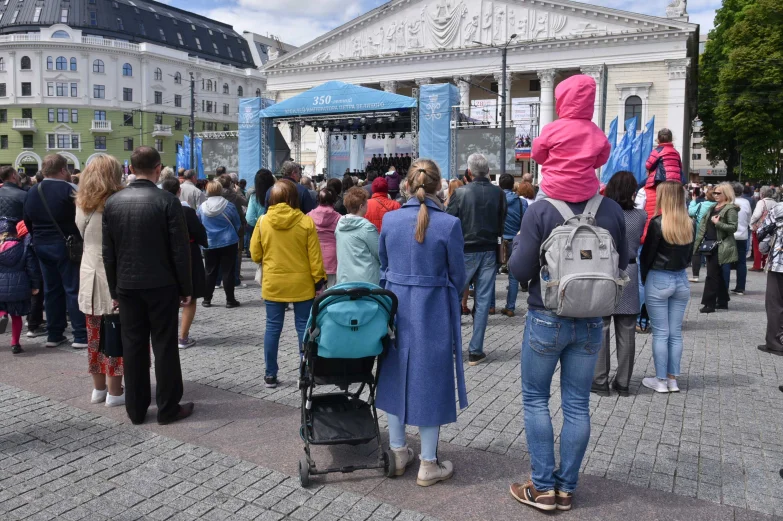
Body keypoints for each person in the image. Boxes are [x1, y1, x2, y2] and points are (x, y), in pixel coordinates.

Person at [508, 165, 627, 512]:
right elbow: (624, 261)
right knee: (577, 403)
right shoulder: (611, 209)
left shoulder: (541, 210)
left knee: (536, 399)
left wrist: (520, 243)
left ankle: (542, 487)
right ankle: (566, 488)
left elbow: (519, 270)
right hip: (592, 319)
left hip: (547, 315)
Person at [376, 159, 468, 487]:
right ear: (438, 186)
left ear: (407, 185)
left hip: (396, 306)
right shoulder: (449, 224)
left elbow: (383, 263)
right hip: (434, 308)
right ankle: (428, 462)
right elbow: (459, 275)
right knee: (432, 379)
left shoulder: (390, 219)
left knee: (395, 375)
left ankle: (398, 451)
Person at [103, 146, 193, 425]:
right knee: (164, 345)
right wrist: (186, 288)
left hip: (127, 285)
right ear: (158, 169)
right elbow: (180, 250)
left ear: (130, 169)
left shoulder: (113, 202)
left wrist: (114, 290)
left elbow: (109, 252)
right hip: (161, 284)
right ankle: (167, 408)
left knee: (133, 346)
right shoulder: (167, 201)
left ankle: (136, 408)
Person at [250, 180, 326, 389]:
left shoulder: (263, 221)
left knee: (272, 328)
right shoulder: (305, 222)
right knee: (304, 328)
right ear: (294, 197)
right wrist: (319, 281)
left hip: (274, 283)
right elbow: (315, 257)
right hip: (301, 284)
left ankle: (270, 374)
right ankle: (305, 373)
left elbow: (255, 254)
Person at [446, 153, 506, 366]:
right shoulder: (498, 193)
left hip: (465, 250)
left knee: (454, 297)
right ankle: (476, 350)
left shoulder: (460, 192)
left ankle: (452, 346)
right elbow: (501, 222)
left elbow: (449, 222)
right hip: (489, 250)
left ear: (470, 172)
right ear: (487, 171)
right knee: (482, 300)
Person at [75, 155, 126, 406]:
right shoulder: (118, 203)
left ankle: (98, 389)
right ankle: (115, 391)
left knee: (94, 336)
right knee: (115, 334)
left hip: (88, 274)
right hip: (114, 276)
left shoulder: (81, 203)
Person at [23, 154, 87, 349]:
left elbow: (27, 219)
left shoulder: (32, 191)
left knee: (51, 290)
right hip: (66, 244)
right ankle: (80, 335)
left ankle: (54, 334)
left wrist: (37, 236)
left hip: (41, 244)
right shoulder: (70, 190)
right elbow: (81, 218)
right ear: (62, 170)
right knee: (72, 288)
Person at [590, 172, 646, 397]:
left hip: (605, 271)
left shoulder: (600, 215)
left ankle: (599, 380)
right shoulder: (641, 216)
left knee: (601, 326)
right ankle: (623, 382)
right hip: (629, 271)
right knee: (627, 330)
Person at [639, 181, 693, 393]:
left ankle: (661, 380)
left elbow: (647, 256)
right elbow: (689, 256)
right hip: (681, 279)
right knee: (675, 333)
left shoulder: (657, 223)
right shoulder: (690, 223)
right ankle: (672, 379)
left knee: (661, 333)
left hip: (659, 277)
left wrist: (645, 278)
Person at [531, 75, 611, 203]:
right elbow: (601, 159)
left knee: (534, 212)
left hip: (553, 187)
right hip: (586, 189)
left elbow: (537, 155)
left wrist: (553, 161)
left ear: (562, 100)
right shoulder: (596, 132)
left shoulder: (552, 129)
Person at [161, 178, 207, 349]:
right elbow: (201, 234)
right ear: (178, 191)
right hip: (189, 254)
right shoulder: (186, 212)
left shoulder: (157, 210)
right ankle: (183, 337)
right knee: (190, 297)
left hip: (164, 256)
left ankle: (168, 336)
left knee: (168, 298)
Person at [198, 181, 242, 309]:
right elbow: (237, 223)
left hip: (209, 242)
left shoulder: (202, 207)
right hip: (228, 241)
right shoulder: (229, 206)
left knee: (210, 271)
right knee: (228, 271)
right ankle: (230, 300)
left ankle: (207, 299)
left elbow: (199, 224)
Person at [695, 182, 738, 313]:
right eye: (714, 192)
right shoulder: (712, 207)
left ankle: (709, 304)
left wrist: (718, 223)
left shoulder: (730, 209)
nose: (715, 195)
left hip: (720, 245)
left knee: (711, 274)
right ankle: (723, 300)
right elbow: (703, 226)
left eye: (718, 193)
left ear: (726, 194)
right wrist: (697, 243)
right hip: (709, 244)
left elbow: (733, 228)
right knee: (716, 274)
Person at [0, 217, 41, 354]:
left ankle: (2, 314)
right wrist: (35, 285)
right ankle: (15, 343)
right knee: (16, 316)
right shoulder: (23, 247)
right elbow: (32, 268)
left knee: (1, 308)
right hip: (18, 287)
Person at [641, 129, 684, 241]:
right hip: (675, 182)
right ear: (671, 139)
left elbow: (648, 165)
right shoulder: (676, 152)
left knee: (639, 187)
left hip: (661, 181)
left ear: (658, 139)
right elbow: (680, 166)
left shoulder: (657, 151)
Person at [335, 187, 381, 284]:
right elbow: (379, 253)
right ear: (361, 206)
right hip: (366, 281)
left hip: (344, 279)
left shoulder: (339, 226)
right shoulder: (367, 228)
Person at [498, 173, 526, 318]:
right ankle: (510, 307)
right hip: (516, 241)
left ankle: (491, 306)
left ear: (500, 185)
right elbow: (526, 222)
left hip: (499, 241)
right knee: (513, 277)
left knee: (491, 274)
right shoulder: (522, 203)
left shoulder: (495, 200)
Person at [758, 201, 783, 356]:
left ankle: (775, 342)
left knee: (775, 303)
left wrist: (765, 247)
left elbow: (762, 231)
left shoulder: (779, 208)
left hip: (779, 264)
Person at [308, 188, 340, 287]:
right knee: (332, 290)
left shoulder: (309, 216)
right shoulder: (339, 218)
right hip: (333, 257)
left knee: (318, 291)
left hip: (315, 256)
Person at [688, 187, 716, 282]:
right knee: (711, 254)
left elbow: (690, 212)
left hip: (700, 232)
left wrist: (693, 201)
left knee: (696, 252)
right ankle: (711, 275)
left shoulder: (701, 205)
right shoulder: (718, 206)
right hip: (713, 232)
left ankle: (695, 276)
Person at [728, 182, 751, 296]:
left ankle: (724, 286)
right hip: (742, 235)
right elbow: (749, 218)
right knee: (742, 262)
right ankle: (740, 288)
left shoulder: (729, 202)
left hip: (729, 235)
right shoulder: (746, 202)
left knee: (726, 261)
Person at [751, 186, 777, 272]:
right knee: (768, 245)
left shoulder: (761, 202)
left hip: (760, 227)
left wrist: (752, 223)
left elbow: (756, 215)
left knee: (757, 246)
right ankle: (765, 264)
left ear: (762, 193)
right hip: (771, 227)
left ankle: (757, 265)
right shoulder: (775, 203)